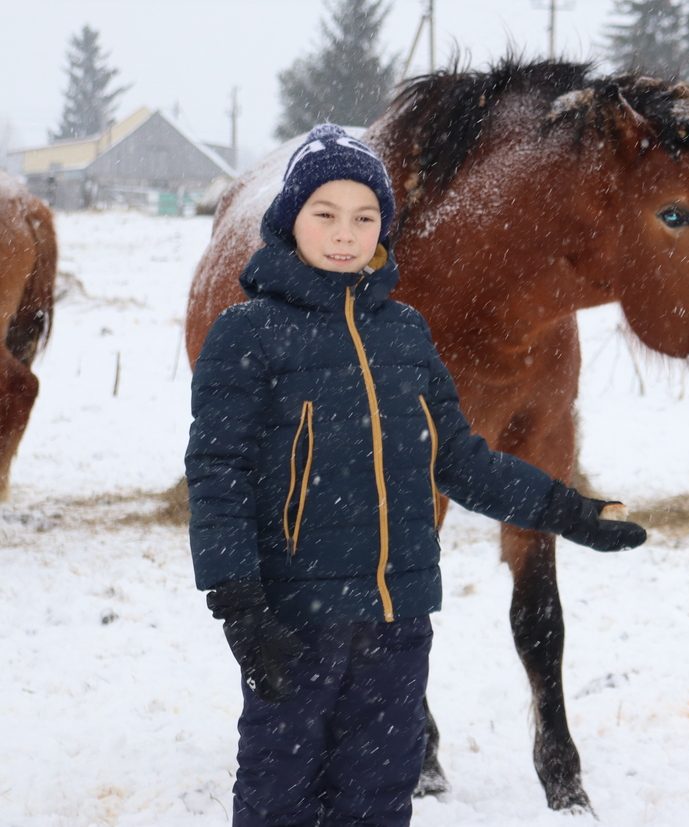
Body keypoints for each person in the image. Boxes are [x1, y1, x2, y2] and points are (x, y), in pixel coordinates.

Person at [185, 124, 647, 826]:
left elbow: (459, 459)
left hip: (397, 620)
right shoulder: (247, 334)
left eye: (365, 217)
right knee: (280, 793)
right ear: (289, 221)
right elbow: (218, 473)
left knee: (379, 793)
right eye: (326, 214)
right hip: (293, 619)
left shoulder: (404, 333)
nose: (346, 234)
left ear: (382, 228)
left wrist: (567, 509)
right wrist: (238, 602)